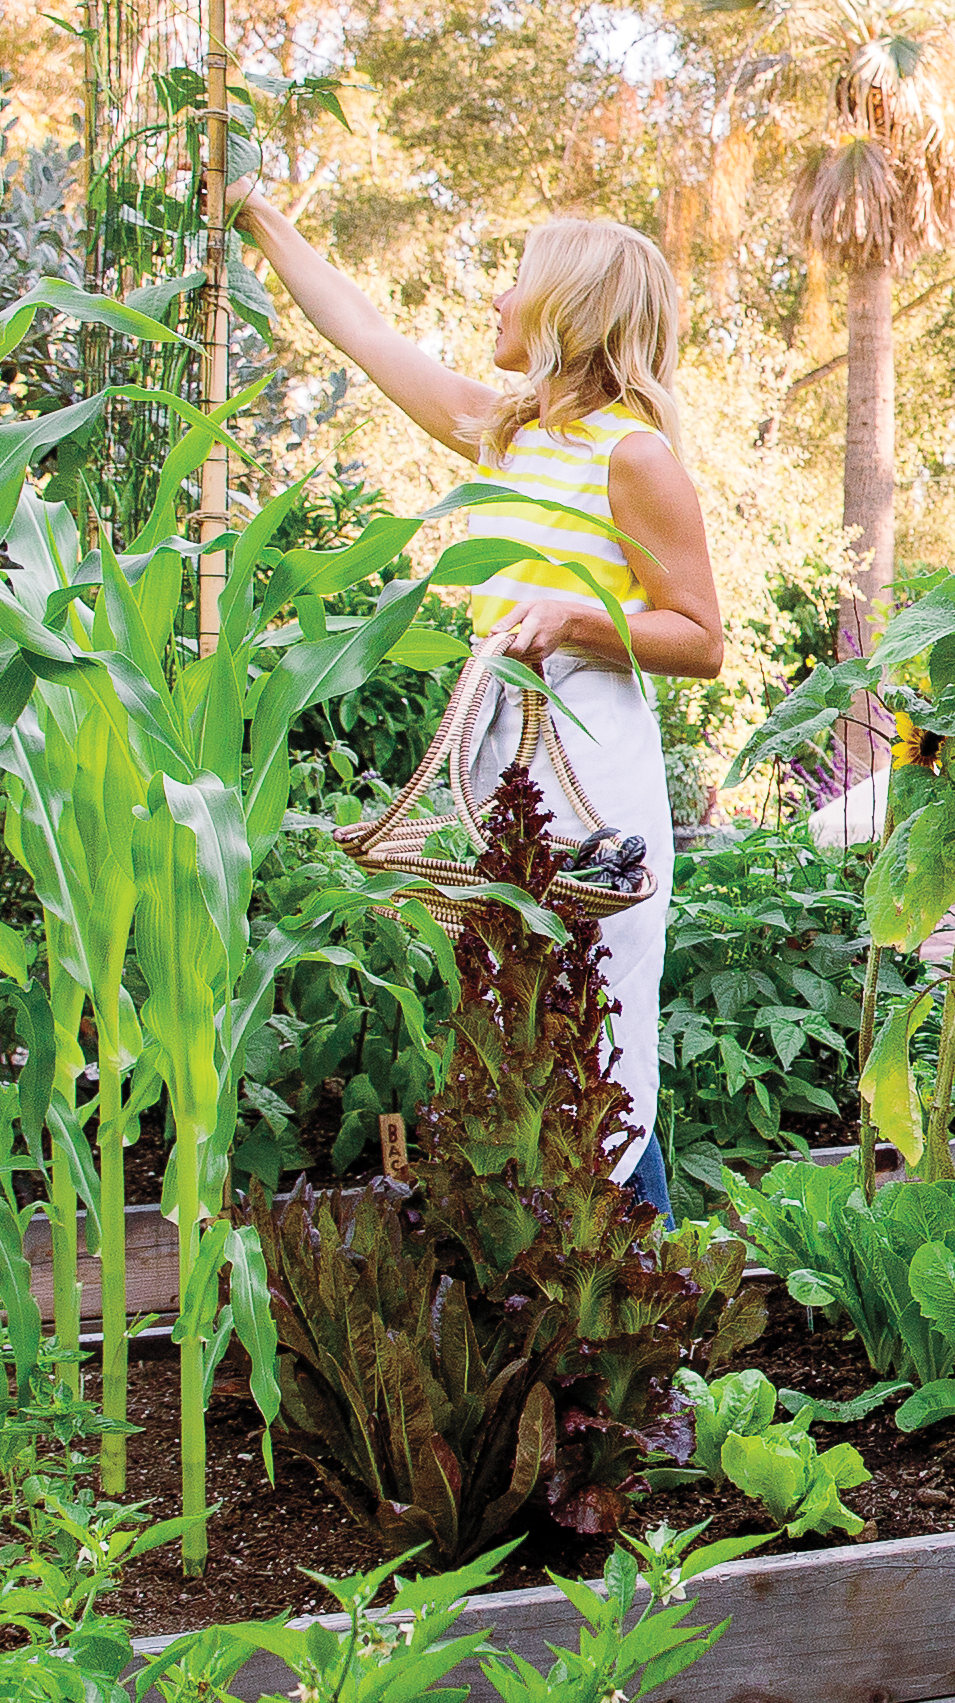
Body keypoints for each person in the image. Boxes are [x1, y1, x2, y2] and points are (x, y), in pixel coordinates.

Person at [239, 197, 724, 1210]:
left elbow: (703, 639)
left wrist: (577, 616)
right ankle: (567, 1303)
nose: (498, 298)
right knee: (519, 1030)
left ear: (567, 310)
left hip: (592, 757)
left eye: (518, 278)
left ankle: (645, 1297)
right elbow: (363, 332)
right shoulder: (504, 434)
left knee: (600, 1029)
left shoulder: (632, 456)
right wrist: (256, 216)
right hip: (509, 750)